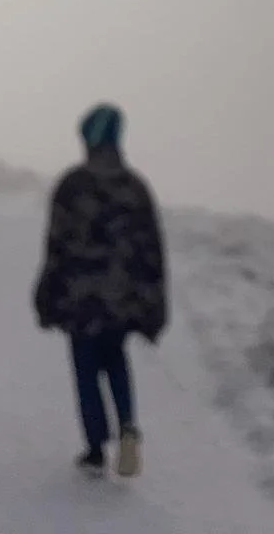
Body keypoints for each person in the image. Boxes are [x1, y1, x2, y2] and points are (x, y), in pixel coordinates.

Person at [33, 102, 168, 478]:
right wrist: (153, 303)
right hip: (122, 300)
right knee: (116, 360)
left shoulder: (72, 186)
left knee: (86, 368)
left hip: (80, 299)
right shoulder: (136, 188)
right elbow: (152, 251)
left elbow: (55, 246)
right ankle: (128, 428)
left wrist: (47, 294)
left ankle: (95, 450)